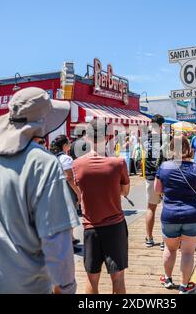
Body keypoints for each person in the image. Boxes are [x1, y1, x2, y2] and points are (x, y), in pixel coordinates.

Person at [0, 87, 79, 294]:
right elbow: (57, 240)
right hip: (21, 285)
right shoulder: (43, 163)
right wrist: (66, 287)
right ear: (43, 123)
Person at [72, 119, 130, 294]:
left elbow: (80, 191)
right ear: (107, 137)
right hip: (115, 226)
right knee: (118, 278)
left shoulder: (77, 165)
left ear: (87, 137)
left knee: (92, 279)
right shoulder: (118, 163)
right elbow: (124, 192)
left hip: (91, 228)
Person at [155, 136, 196, 294]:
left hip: (170, 214)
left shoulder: (164, 167)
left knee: (170, 249)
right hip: (193, 214)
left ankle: (167, 278)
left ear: (172, 150)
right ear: (188, 149)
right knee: (187, 252)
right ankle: (184, 287)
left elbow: (158, 190)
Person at [51, 134, 82, 253]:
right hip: (67, 189)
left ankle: (72, 238)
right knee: (71, 217)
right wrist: (78, 193)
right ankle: (69, 244)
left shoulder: (54, 156)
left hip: (57, 189)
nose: (70, 144)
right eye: (68, 143)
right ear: (65, 146)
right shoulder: (66, 158)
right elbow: (69, 178)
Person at [143, 114, 167, 249]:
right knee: (166, 208)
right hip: (164, 177)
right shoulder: (165, 138)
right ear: (162, 125)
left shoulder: (145, 138)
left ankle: (149, 238)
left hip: (150, 177)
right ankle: (164, 240)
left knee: (151, 208)